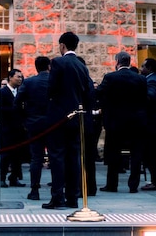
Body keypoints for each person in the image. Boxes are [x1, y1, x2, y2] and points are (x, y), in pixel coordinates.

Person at [42, 31, 94, 209]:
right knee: (74, 158)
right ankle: (73, 197)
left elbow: (52, 88)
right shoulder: (82, 66)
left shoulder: (58, 62)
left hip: (59, 117)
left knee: (57, 157)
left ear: (62, 46)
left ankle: (58, 197)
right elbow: (89, 92)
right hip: (77, 118)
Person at [97, 51, 146, 193]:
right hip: (136, 122)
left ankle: (112, 185)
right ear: (129, 62)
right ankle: (133, 185)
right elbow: (144, 100)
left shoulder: (110, 77)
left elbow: (100, 93)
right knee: (136, 155)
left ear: (117, 62)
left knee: (113, 154)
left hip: (115, 122)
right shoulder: (140, 79)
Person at [16, 55, 50, 201]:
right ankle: (57, 190)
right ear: (49, 66)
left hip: (34, 123)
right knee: (56, 157)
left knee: (36, 158)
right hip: (53, 123)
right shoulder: (55, 81)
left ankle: (34, 189)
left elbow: (17, 102)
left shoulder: (29, 82)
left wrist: (25, 119)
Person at [139, 57, 156, 191]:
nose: (141, 68)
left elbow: (150, 97)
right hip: (154, 122)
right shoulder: (153, 79)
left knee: (153, 153)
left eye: (143, 66)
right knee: (152, 153)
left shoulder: (153, 81)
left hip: (153, 123)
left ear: (149, 68)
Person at [0, 68, 26, 187]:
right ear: (10, 77)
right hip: (6, 128)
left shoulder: (20, 92)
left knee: (17, 155)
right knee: (5, 155)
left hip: (18, 128)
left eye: (21, 77)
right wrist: (14, 110)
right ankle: (2, 177)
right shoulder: (3, 92)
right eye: (18, 77)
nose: (20, 79)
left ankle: (14, 177)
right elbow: (0, 109)